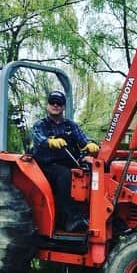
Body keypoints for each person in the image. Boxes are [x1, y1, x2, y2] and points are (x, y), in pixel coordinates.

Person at [32, 90, 99, 232]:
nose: (55, 105)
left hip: (67, 163)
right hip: (44, 166)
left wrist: (89, 143)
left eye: (59, 103)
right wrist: (49, 142)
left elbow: (83, 138)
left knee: (90, 172)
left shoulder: (70, 125)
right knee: (65, 175)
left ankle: (90, 214)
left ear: (63, 107)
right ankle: (68, 220)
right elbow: (39, 138)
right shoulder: (40, 125)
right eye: (52, 102)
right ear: (47, 105)